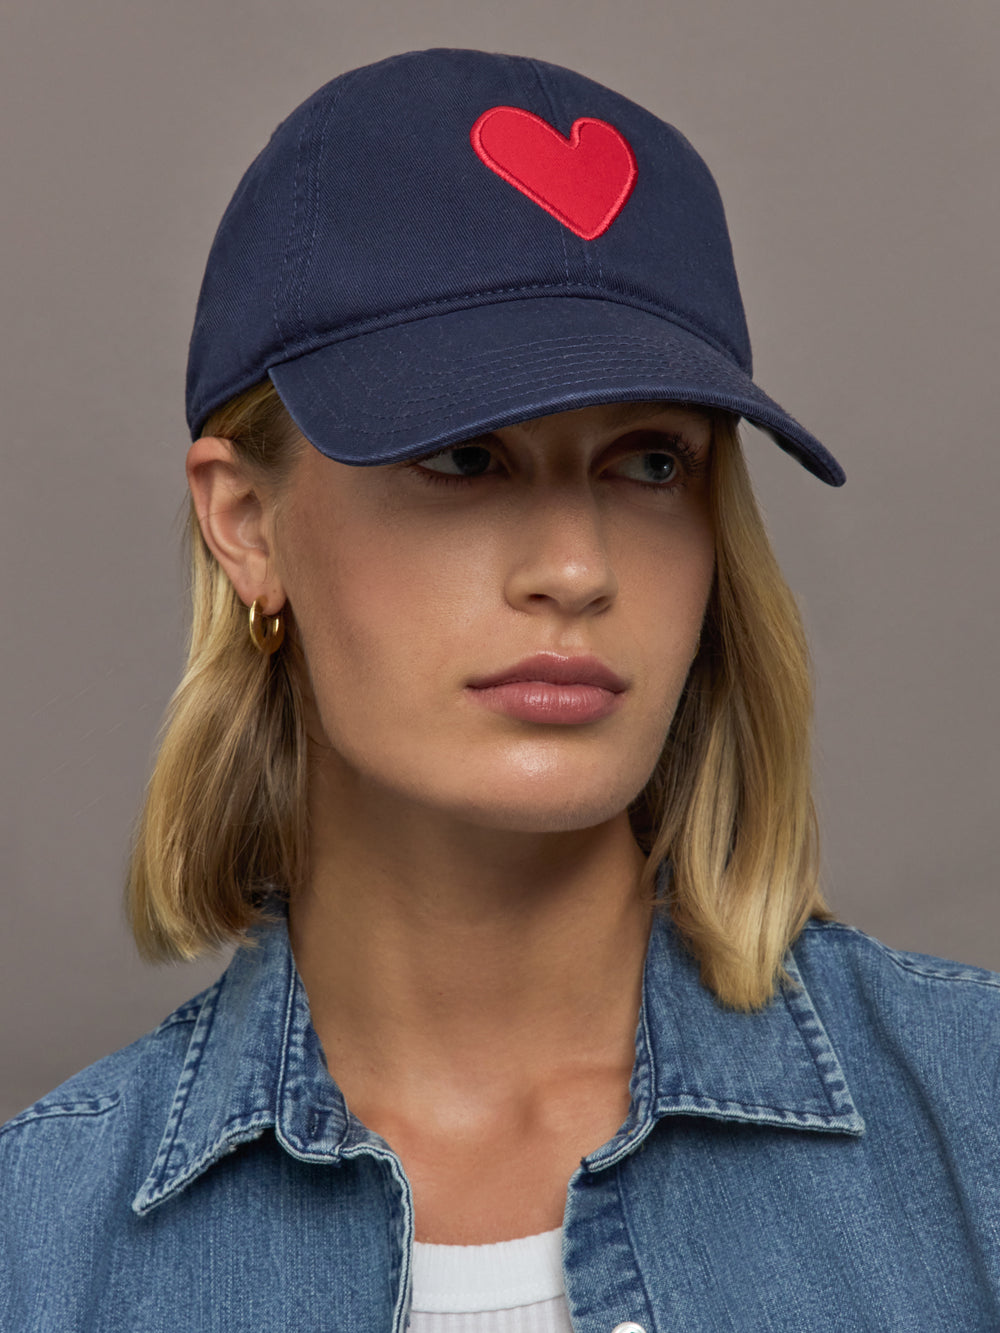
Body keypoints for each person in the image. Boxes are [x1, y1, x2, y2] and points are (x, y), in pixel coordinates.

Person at [2, 46, 998, 1333]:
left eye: (649, 463)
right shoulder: (39, 1246)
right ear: (247, 523)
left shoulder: (973, 1124)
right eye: (466, 458)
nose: (576, 568)